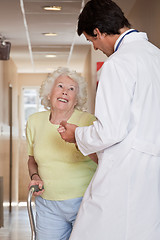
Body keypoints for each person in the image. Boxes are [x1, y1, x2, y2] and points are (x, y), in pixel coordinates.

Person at [58, 0, 160, 239]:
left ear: (98, 31)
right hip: (151, 173)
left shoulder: (118, 64)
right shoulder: (156, 56)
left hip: (124, 171)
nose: (94, 47)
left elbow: (110, 131)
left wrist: (77, 134)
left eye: (92, 40)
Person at [26, 67, 97, 240]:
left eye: (71, 89)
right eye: (60, 86)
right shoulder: (35, 121)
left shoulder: (88, 121)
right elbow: (32, 159)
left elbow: (102, 160)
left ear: (76, 99)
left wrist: (79, 140)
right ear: (49, 93)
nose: (65, 92)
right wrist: (35, 176)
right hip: (47, 204)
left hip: (83, 201)